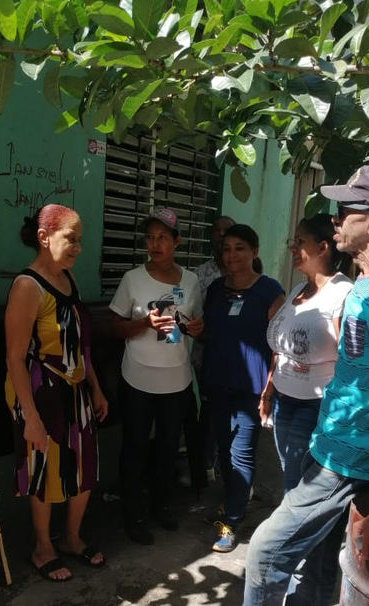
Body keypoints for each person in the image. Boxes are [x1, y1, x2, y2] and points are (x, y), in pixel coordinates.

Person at [243, 165, 369, 606]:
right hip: (330, 446)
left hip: (349, 464)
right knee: (319, 560)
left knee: (265, 552)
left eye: (345, 209)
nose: (335, 219)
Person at [4, 204, 109, 583]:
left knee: (84, 467)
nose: (78, 247)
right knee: (44, 471)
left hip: (76, 391)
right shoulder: (27, 286)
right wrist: (30, 417)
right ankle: (42, 548)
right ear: (44, 238)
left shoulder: (69, 279)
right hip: (41, 391)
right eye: (71, 239)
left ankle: (71, 538)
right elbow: (15, 358)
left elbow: (81, 346)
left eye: (80, 240)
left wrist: (95, 387)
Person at [109, 206, 204, 546]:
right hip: (137, 379)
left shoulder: (191, 281)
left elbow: (196, 326)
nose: (155, 244)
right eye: (150, 237)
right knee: (134, 447)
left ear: (176, 241)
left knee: (166, 447)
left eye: (162, 237)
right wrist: (143, 324)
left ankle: (161, 506)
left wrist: (196, 328)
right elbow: (116, 327)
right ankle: (132, 515)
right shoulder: (133, 279)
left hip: (176, 380)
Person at [203, 224, 285, 552]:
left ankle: (232, 520)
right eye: (226, 249)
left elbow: (280, 346)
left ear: (254, 251)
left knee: (242, 452)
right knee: (224, 448)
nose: (232, 255)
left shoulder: (269, 291)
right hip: (217, 381)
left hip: (252, 386)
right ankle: (231, 502)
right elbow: (212, 332)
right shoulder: (215, 291)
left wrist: (269, 390)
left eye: (240, 248)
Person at [261, 214, 353, 495]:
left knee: (297, 480)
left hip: (314, 404)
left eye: (300, 241)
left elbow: (350, 358)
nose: (292, 247)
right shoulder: (298, 290)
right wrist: (268, 390)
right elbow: (281, 346)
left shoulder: (342, 293)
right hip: (283, 399)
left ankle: (293, 537)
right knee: (289, 471)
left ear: (323, 248)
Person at [193, 215, 235, 483]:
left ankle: (227, 463)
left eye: (226, 232)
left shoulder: (244, 271)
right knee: (208, 410)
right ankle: (205, 463)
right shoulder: (200, 274)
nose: (220, 236)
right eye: (215, 231)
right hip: (206, 350)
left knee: (233, 410)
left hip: (236, 354)